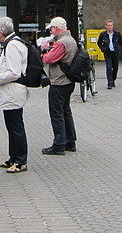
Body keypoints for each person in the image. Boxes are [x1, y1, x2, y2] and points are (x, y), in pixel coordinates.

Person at [0, 16, 29, 173]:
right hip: (9, 92)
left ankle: (21, 161)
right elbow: (6, 65)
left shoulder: (12, 46)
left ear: (1, 32)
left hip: (13, 91)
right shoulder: (7, 44)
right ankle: (13, 158)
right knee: (11, 126)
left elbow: (14, 72)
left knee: (16, 126)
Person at [41, 16, 77, 155]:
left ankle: (59, 144)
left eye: (51, 28)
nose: (50, 31)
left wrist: (44, 50)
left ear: (56, 28)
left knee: (56, 113)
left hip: (59, 82)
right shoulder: (71, 40)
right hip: (68, 81)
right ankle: (70, 141)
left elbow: (49, 59)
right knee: (66, 111)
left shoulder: (61, 42)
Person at [98, 19, 122, 89]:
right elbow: (99, 43)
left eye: (111, 25)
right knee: (109, 67)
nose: (110, 27)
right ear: (106, 26)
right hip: (108, 53)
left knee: (115, 68)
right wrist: (103, 49)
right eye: (108, 25)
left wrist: (119, 49)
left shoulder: (117, 34)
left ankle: (113, 80)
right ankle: (109, 83)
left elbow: (121, 42)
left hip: (115, 53)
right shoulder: (103, 34)